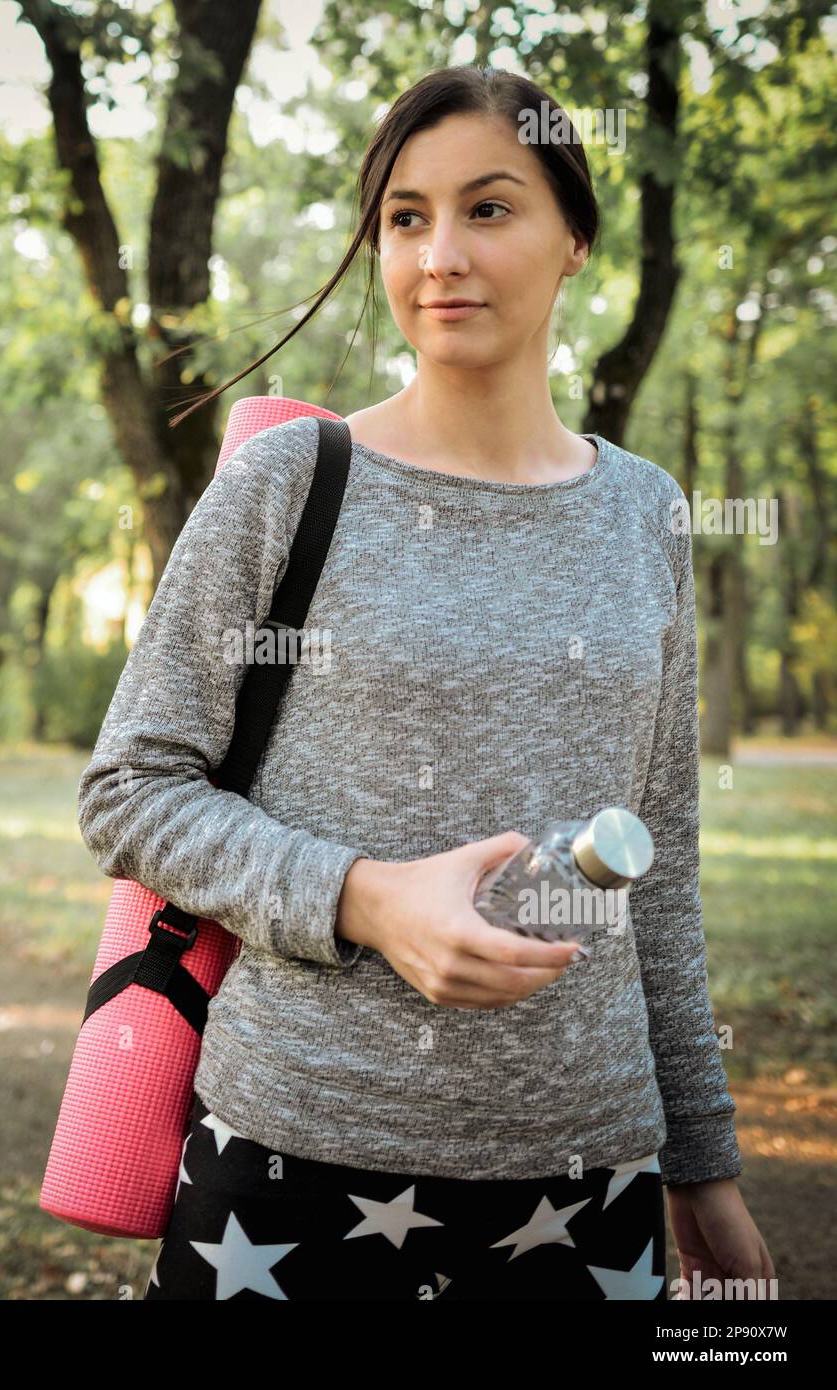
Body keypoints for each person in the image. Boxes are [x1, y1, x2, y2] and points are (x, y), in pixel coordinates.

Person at [79, 63, 774, 1300]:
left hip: (586, 1182)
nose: (439, 253)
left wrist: (701, 1163)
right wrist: (366, 897)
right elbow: (131, 786)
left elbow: (655, 858)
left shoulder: (646, 513)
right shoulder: (287, 480)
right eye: (406, 216)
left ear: (573, 241)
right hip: (289, 1166)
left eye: (490, 208)